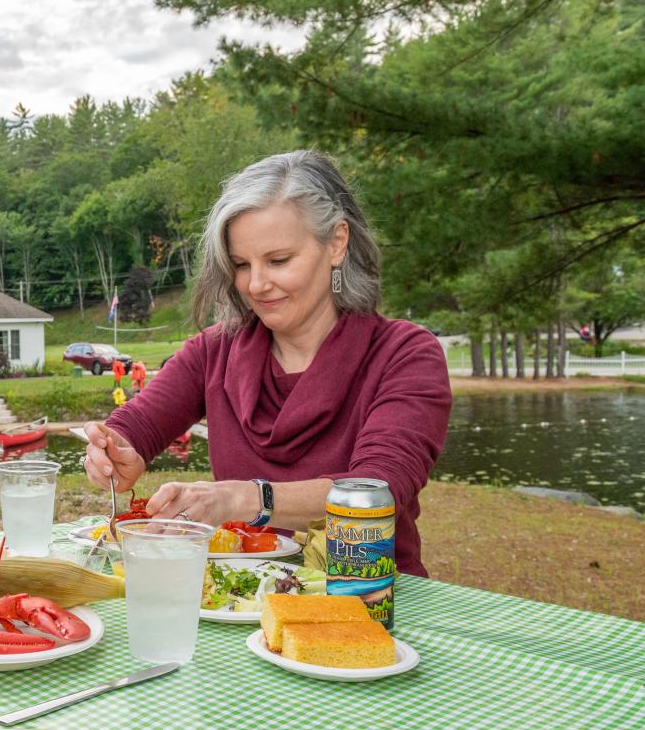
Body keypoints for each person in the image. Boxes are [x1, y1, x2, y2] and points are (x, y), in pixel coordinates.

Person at [84, 150, 450, 578]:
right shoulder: (213, 350)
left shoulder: (405, 354)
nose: (256, 285)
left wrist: (246, 499)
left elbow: (377, 492)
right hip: (240, 604)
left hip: (370, 601)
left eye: (278, 260)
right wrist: (115, 450)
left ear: (336, 243)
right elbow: (136, 427)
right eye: (241, 265)